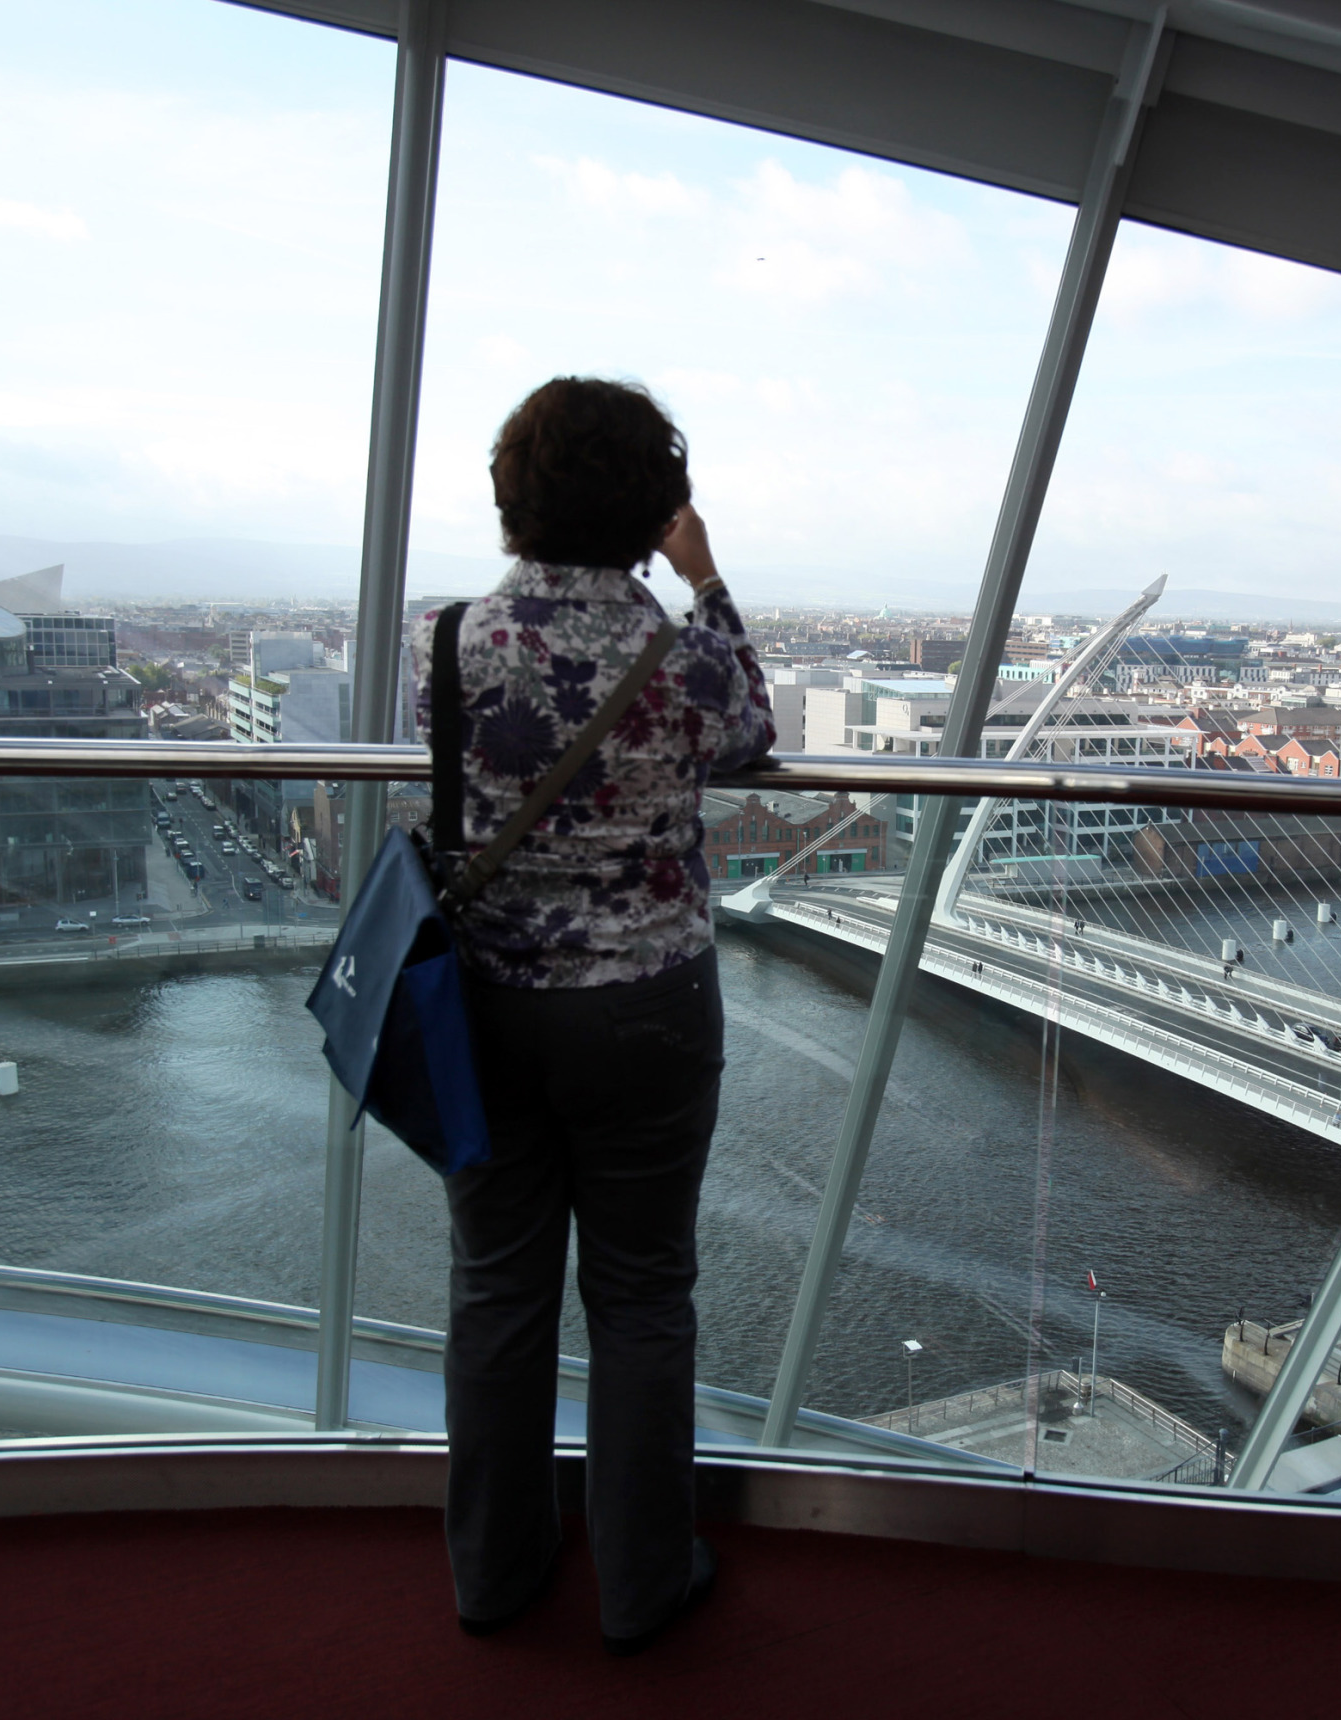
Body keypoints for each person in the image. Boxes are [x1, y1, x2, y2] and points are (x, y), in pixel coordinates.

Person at [410, 377, 774, 1655]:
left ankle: (494, 1571)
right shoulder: (678, 656)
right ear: (650, 506)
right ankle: (641, 1579)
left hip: (493, 1005)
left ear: (512, 496)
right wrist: (707, 577)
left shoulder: (451, 639)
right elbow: (754, 730)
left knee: (497, 1290)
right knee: (640, 1296)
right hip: (649, 1010)